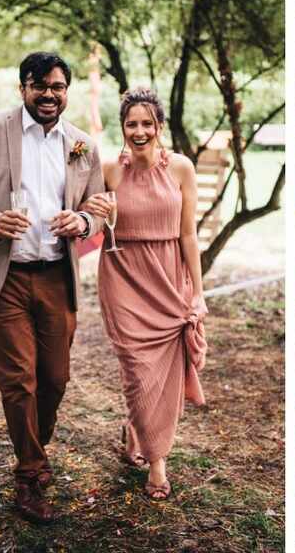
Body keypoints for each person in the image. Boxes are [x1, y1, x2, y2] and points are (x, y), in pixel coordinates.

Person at [0, 51, 104, 523]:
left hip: (56, 275)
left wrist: (81, 219)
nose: (49, 95)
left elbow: (97, 205)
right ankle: (31, 475)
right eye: (40, 86)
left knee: (54, 379)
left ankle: (33, 442)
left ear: (66, 91)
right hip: (4, 276)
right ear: (23, 89)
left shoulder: (82, 145)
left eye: (57, 87)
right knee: (19, 380)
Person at [79, 88, 207, 500]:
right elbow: (92, 223)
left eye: (147, 123)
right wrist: (93, 214)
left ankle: (139, 432)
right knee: (137, 369)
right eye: (131, 124)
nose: (139, 131)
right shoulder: (110, 171)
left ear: (160, 126)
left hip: (168, 278)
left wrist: (197, 293)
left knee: (164, 375)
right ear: (123, 127)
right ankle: (157, 462)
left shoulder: (182, 169)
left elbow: (188, 235)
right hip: (123, 277)